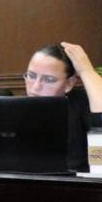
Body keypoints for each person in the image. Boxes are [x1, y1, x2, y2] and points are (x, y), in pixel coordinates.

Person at [24, 42, 102, 171]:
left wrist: (86, 71)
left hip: (78, 182)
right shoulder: (15, 109)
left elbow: (99, 162)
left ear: (69, 84)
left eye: (48, 80)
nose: (36, 87)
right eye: (31, 76)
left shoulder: (83, 104)